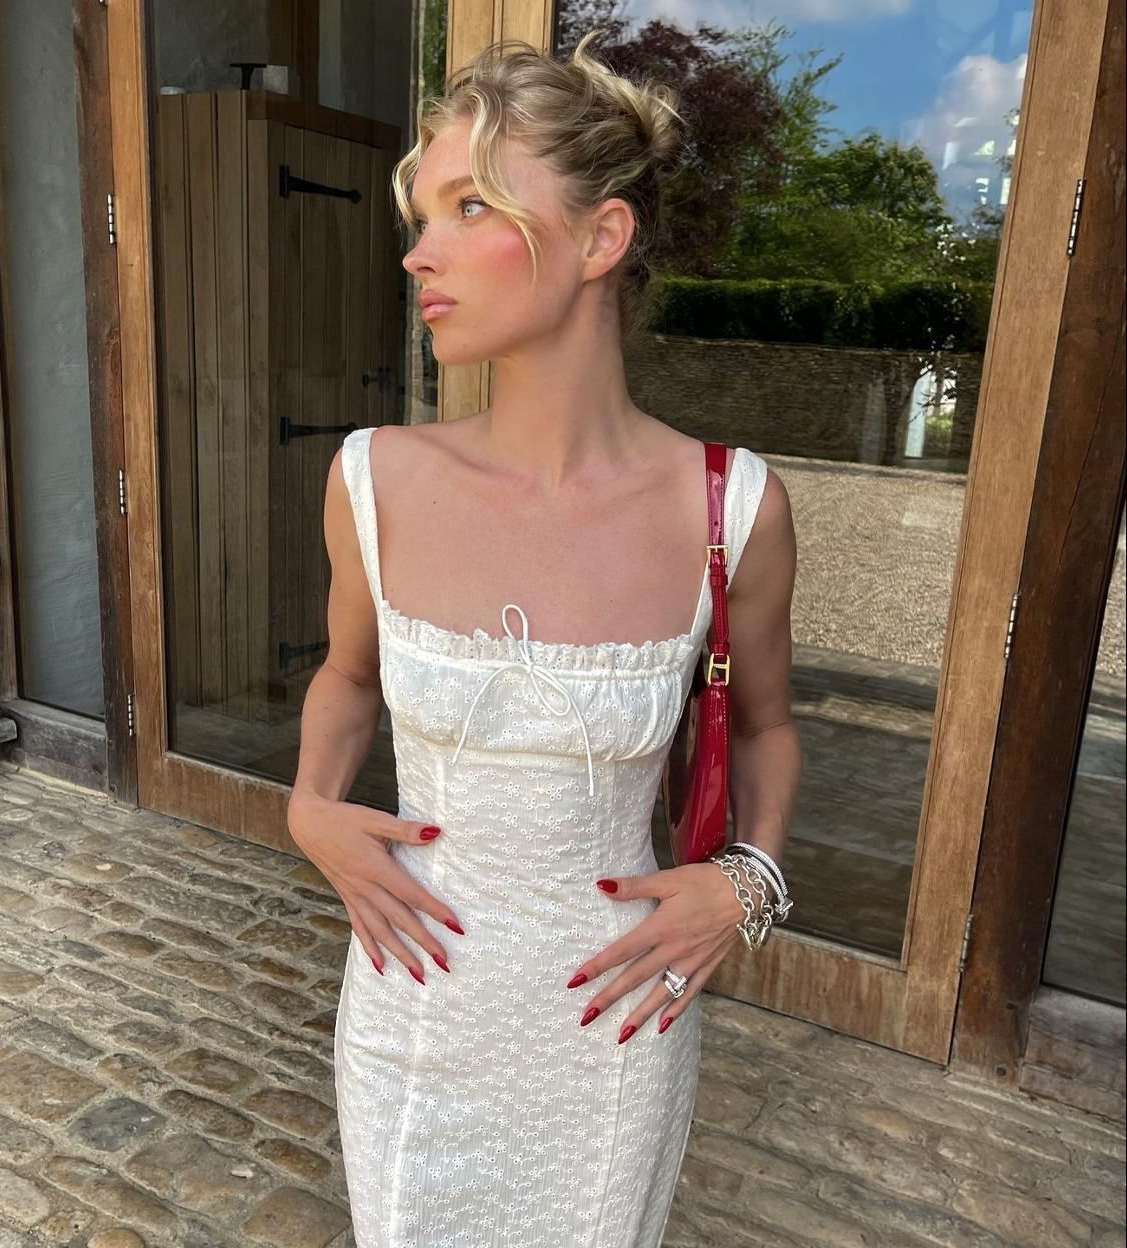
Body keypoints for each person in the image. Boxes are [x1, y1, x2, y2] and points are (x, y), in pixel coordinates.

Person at [287, 30, 801, 1248]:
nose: (419, 251)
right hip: (415, 1016)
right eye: (423, 214)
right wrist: (309, 806)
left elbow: (768, 725)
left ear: (600, 237)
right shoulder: (372, 479)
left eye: (471, 205)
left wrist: (749, 882)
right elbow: (347, 677)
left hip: (614, 1025)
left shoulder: (730, 508)